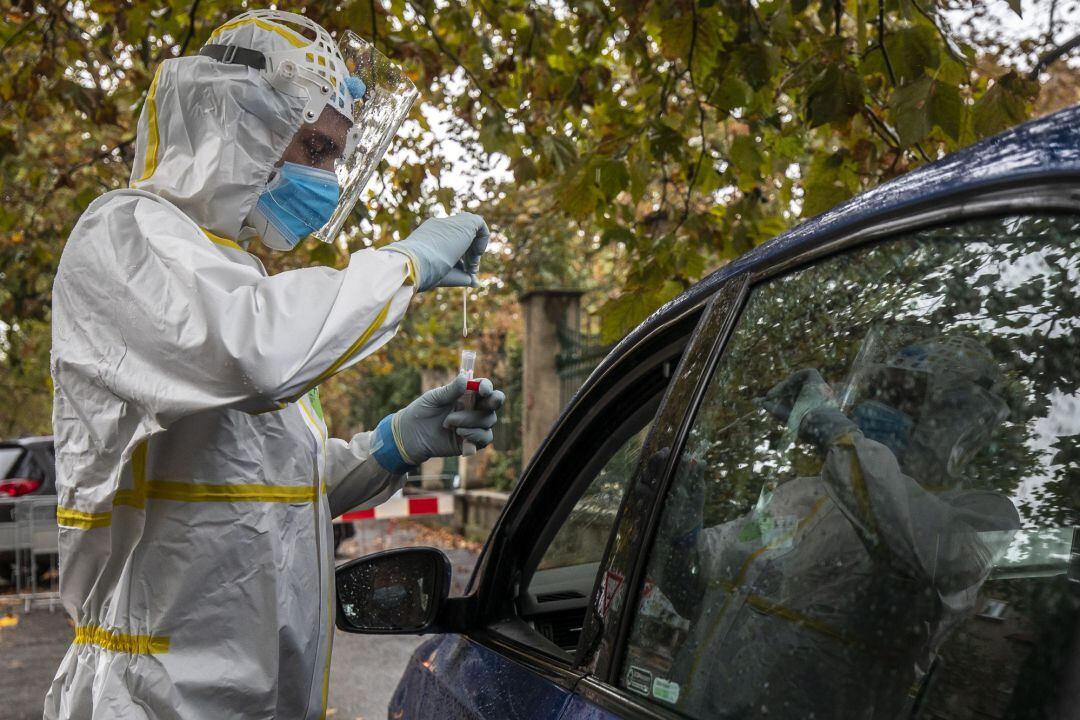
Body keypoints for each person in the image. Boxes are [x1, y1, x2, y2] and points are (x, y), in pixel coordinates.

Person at [44, 10, 503, 719]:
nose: (322, 176)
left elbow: (271, 490)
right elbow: (254, 353)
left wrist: (390, 447)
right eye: (313, 146)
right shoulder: (126, 234)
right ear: (233, 122)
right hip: (151, 702)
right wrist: (403, 265)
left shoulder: (232, 275)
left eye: (333, 157)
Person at [656, 334, 1020, 719]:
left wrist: (836, 435)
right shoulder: (798, 497)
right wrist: (680, 536)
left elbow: (925, 547)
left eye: (903, 396)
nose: (877, 404)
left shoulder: (980, 517)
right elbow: (706, 586)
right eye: (878, 390)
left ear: (951, 417)